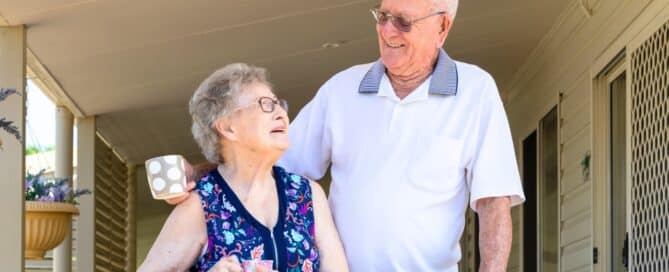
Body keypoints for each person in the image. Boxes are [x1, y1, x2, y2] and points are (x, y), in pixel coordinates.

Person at [174, 0, 526, 270]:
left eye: (403, 22)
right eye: (383, 16)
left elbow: (494, 204)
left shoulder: (475, 91)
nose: (387, 31)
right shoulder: (342, 90)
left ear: (442, 28)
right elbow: (268, 161)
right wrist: (199, 174)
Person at [139, 63, 348, 272]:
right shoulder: (201, 205)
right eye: (266, 104)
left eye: (278, 104)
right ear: (228, 127)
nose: (281, 114)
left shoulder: (306, 194)